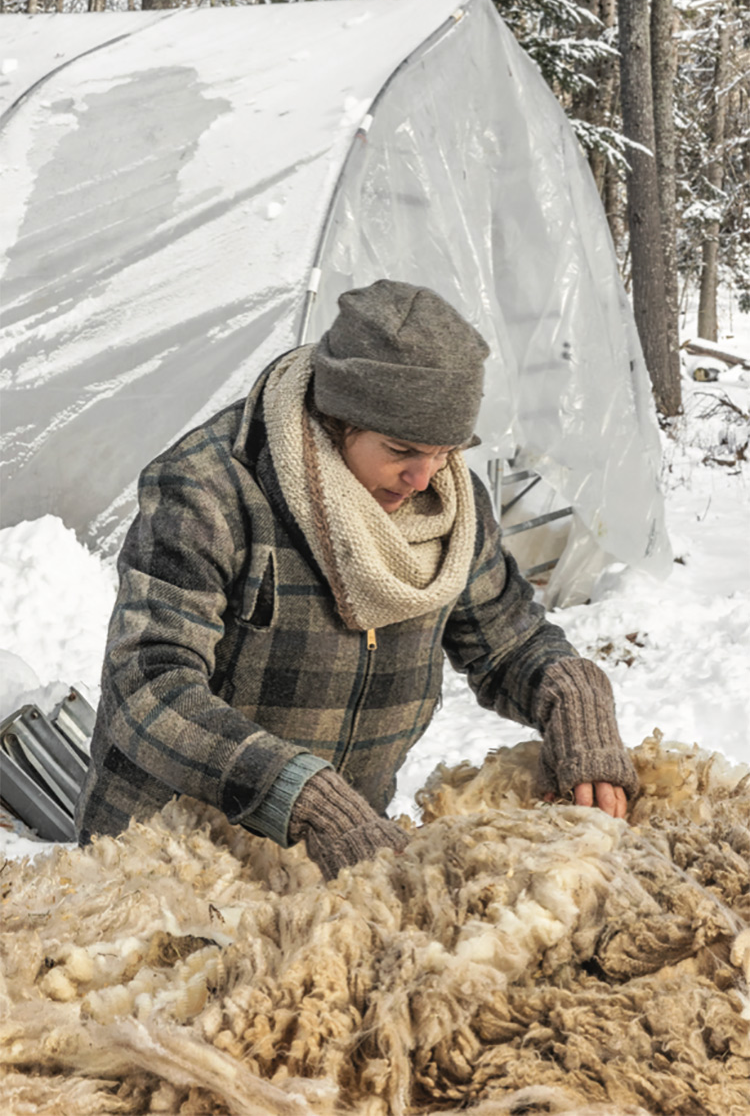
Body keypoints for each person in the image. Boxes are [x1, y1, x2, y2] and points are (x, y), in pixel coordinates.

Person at [76, 280, 638, 875]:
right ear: (337, 416)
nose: (424, 479)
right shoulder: (209, 490)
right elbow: (149, 685)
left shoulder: (449, 504)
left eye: (446, 451)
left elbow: (510, 639)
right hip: (166, 861)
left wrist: (575, 698)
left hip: (336, 858)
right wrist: (298, 792)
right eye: (402, 450)